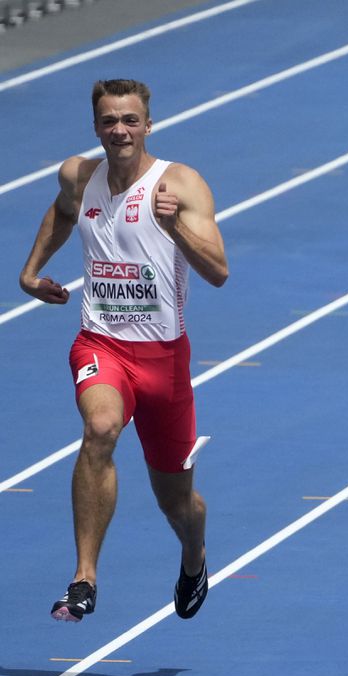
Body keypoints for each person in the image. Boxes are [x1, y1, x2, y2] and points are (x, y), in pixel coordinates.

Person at [17, 79, 228, 623]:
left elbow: (219, 272)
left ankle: (194, 555)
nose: (119, 131)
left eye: (130, 120)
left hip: (164, 361)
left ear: (148, 125)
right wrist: (32, 271)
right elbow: (64, 212)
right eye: (109, 121)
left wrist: (174, 225)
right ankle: (85, 577)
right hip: (101, 344)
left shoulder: (180, 184)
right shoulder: (79, 176)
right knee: (101, 428)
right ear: (96, 127)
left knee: (177, 504)